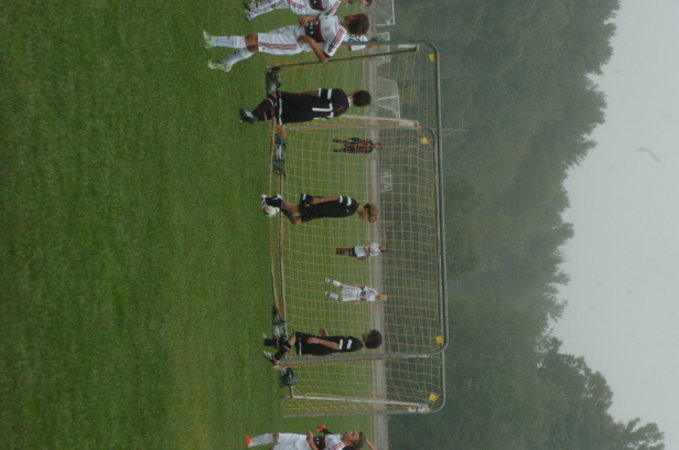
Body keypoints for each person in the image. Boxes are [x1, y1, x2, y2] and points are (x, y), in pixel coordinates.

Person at [203, 13, 370, 72]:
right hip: (293, 30)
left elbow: (325, 58)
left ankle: (212, 41)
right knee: (255, 45)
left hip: (294, 42)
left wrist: (310, 41)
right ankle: (226, 63)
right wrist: (307, 19)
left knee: (253, 38)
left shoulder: (339, 37)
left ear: (353, 17)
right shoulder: (336, 19)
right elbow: (319, 18)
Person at [239, 88, 371, 125]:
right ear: (357, 106)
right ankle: (245, 119)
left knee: (276, 96)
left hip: (307, 103)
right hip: (306, 117)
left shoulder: (340, 94)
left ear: (355, 91)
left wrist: (301, 94)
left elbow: (318, 92)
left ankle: (254, 115)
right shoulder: (342, 112)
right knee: (275, 112)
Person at [262, 328, 382, 366]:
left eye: (370, 332)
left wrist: (318, 340)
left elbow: (337, 346)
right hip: (322, 347)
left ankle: (275, 358)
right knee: (295, 340)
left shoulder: (355, 343)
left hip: (320, 347)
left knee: (296, 336)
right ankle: (267, 342)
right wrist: (326, 336)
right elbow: (337, 344)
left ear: (370, 338)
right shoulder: (357, 344)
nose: (367, 331)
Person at [261, 193, 378, 225]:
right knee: (292, 209)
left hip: (319, 213)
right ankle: (267, 201)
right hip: (318, 205)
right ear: (367, 210)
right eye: (367, 218)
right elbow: (337, 197)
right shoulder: (353, 204)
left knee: (295, 221)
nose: (365, 219)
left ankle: (277, 201)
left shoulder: (353, 211)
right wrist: (319, 200)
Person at [245, 427, 374, 450]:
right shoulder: (339, 436)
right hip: (303, 438)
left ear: (350, 443)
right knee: (276, 436)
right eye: (353, 431)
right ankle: (251, 442)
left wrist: (311, 441)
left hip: (303, 447)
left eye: (352, 434)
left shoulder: (337, 447)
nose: (350, 431)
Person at [243, 0, 372, 21]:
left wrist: (308, 18)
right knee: (276, 5)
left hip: (303, 7)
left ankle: (256, 6)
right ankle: (252, 14)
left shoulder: (333, 7)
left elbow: (322, 17)